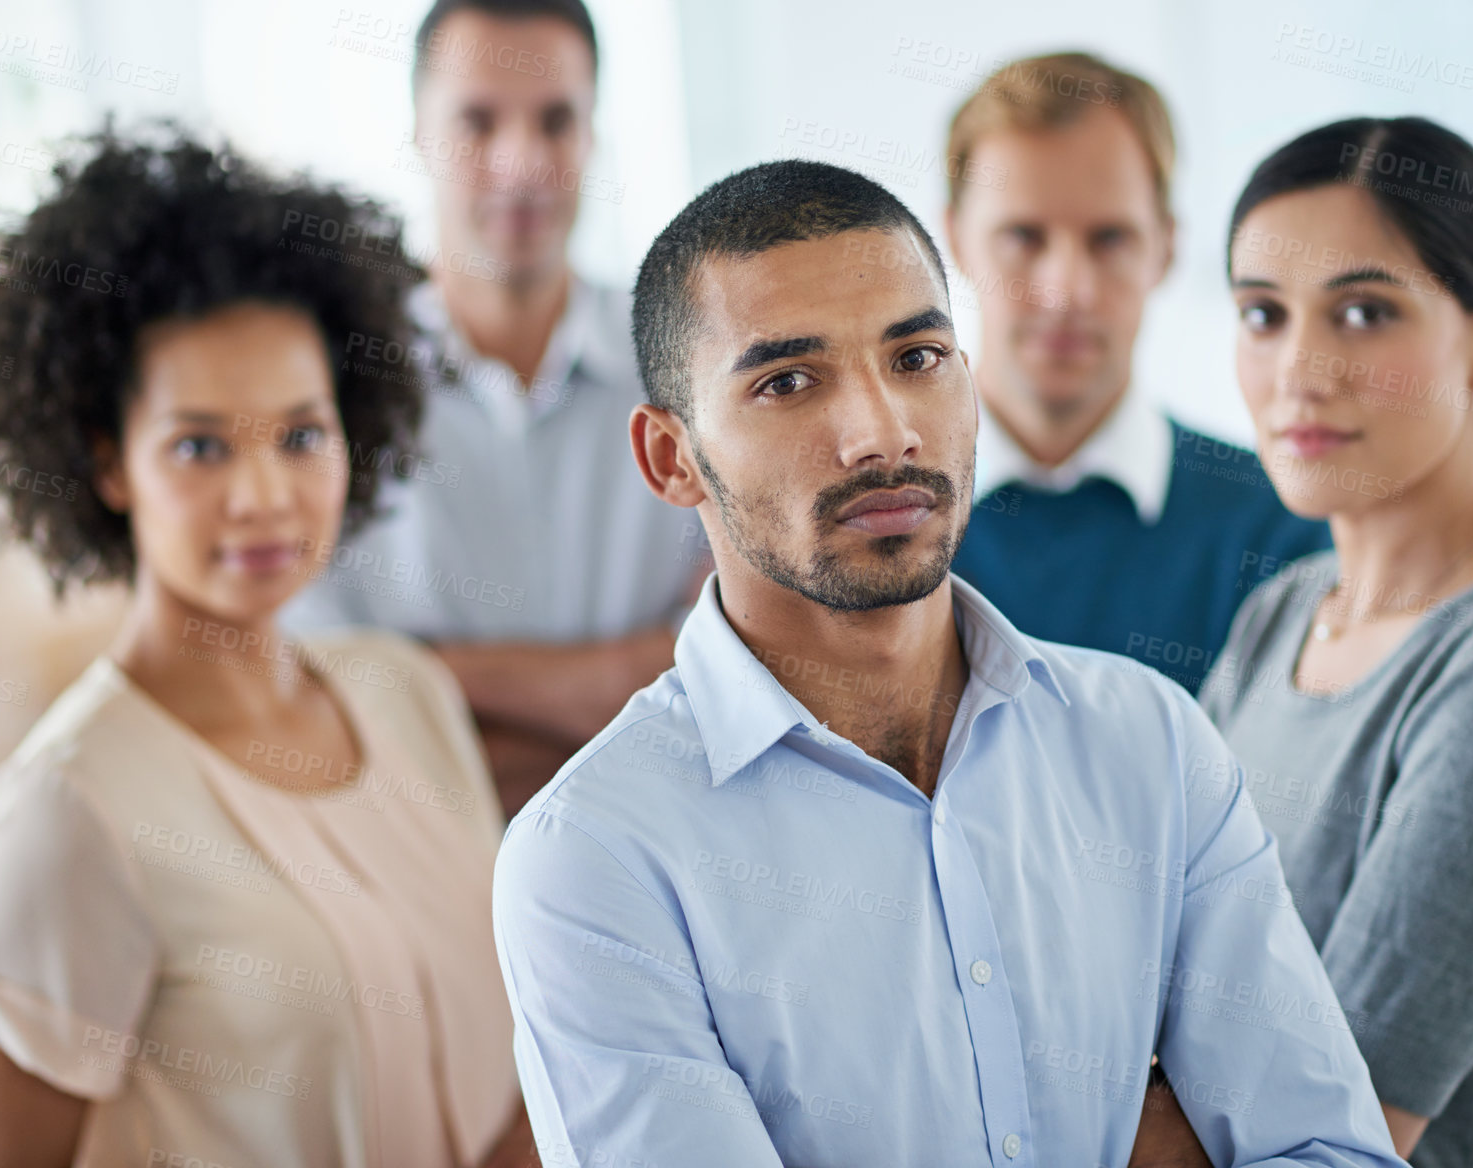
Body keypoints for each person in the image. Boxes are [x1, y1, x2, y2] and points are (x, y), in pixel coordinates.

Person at [491, 158, 1408, 1168]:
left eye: (917, 357)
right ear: (670, 457)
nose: (879, 434)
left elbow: (1333, 1152)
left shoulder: (1147, 741)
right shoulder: (594, 858)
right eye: (786, 382)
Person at [0, 128, 531, 1167]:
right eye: (200, 445)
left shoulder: (408, 694)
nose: (262, 497)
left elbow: (511, 1071)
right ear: (107, 461)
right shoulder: (66, 813)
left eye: (300, 435)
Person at [1202, 116, 1473, 1168]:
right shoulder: (1287, 610)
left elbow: (1326, 1124)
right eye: (1261, 314)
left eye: (1360, 312)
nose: (1297, 369)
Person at [283, 0, 705, 814]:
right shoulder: (324, 389)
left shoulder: (690, 365)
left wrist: (439, 682)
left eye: (556, 121)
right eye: (477, 122)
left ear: (593, 133)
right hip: (413, 894)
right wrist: (620, 681)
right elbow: (321, 698)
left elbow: (740, 678)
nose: (522, 164)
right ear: (417, 133)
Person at [944, 52, 1328, 693]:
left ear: (1167, 246)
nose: (1066, 292)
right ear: (954, 241)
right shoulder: (876, 520)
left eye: (1109, 239)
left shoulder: (1279, 531)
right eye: (1024, 237)